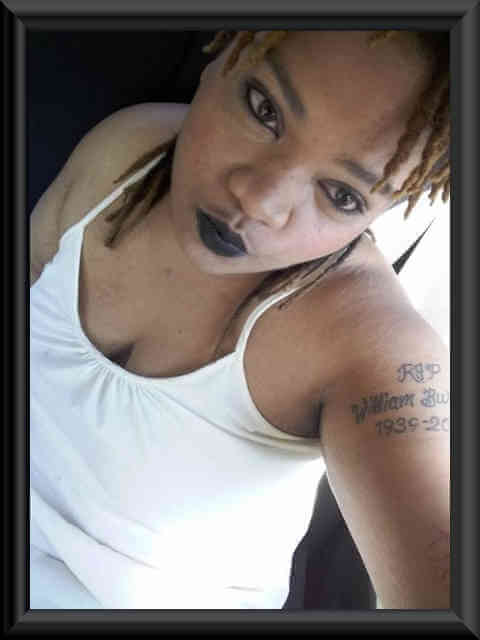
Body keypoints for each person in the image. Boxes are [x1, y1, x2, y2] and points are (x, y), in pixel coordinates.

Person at [29, 30, 450, 609]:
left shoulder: (370, 346)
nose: (258, 199)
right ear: (223, 52)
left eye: (341, 195)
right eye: (264, 109)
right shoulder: (124, 153)